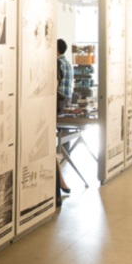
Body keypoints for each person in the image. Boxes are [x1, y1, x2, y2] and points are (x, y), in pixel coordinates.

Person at [56, 39, 73, 204]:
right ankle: (64, 157)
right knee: (64, 130)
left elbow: (56, 85)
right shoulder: (67, 63)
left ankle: (60, 158)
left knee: (58, 130)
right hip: (67, 99)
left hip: (58, 99)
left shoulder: (57, 64)